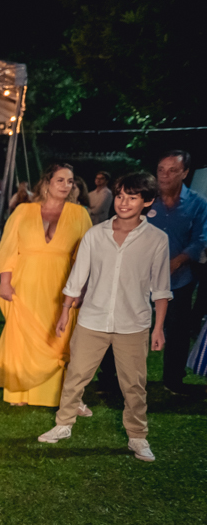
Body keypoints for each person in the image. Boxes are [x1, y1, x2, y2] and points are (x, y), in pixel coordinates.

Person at [38, 173, 172, 462]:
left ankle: (138, 437)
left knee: (134, 385)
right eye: (121, 195)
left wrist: (158, 327)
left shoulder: (157, 240)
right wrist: (65, 312)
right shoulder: (95, 234)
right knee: (76, 376)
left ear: (147, 201)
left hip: (133, 324)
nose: (123, 203)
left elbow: (161, 288)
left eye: (132, 197)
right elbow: (76, 279)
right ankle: (63, 425)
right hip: (92, 320)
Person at [0, 164, 93, 407]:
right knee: (21, 334)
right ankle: (19, 392)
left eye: (70, 181)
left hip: (61, 285)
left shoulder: (80, 215)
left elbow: (86, 257)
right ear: (46, 183)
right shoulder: (24, 211)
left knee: (57, 336)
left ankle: (55, 394)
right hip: (25, 282)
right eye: (61, 180)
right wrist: (5, 281)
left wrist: (82, 289)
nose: (66, 185)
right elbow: (9, 247)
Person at [148, 150, 207, 395]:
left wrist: (179, 260)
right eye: (161, 169)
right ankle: (112, 379)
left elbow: (200, 239)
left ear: (184, 173)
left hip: (178, 281)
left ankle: (173, 379)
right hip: (141, 279)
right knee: (127, 328)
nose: (165, 175)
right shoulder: (146, 199)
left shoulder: (197, 203)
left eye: (172, 170)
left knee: (178, 331)